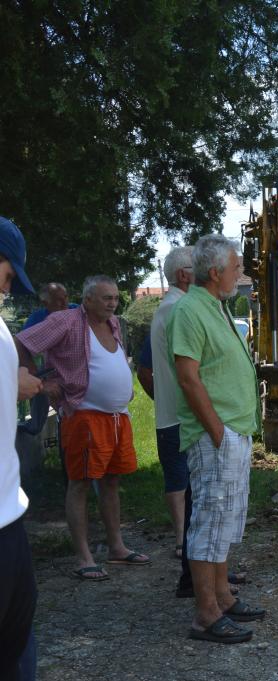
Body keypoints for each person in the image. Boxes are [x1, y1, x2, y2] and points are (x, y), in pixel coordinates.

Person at [16, 275, 151, 581]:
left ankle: (116, 547)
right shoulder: (66, 321)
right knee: (79, 483)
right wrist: (41, 380)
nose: (113, 303)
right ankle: (84, 557)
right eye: (106, 298)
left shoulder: (113, 323)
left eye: (115, 298)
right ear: (88, 299)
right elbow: (22, 343)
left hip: (118, 417)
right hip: (85, 416)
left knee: (112, 480)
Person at [167, 233, 263, 644]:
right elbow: (189, 379)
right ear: (214, 272)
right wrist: (218, 432)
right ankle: (205, 614)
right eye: (236, 268)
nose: (240, 274)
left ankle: (222, 597)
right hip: (215, 436)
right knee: (208, 524)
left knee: (225, 521)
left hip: (233, 432)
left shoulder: (216, 305)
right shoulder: (190, 310)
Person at [0, 217, 42, 681]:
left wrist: (16, 383)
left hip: (9, 519)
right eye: (8, 276)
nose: (8, 291)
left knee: (17, 651)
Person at [136, 247, 193, 560]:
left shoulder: (168, 307)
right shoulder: (178, 309)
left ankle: (184, 541)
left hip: (173, 411)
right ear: (184, 275)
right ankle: (184, 543)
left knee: (179, 476)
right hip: (182, 413)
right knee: (181, 478)